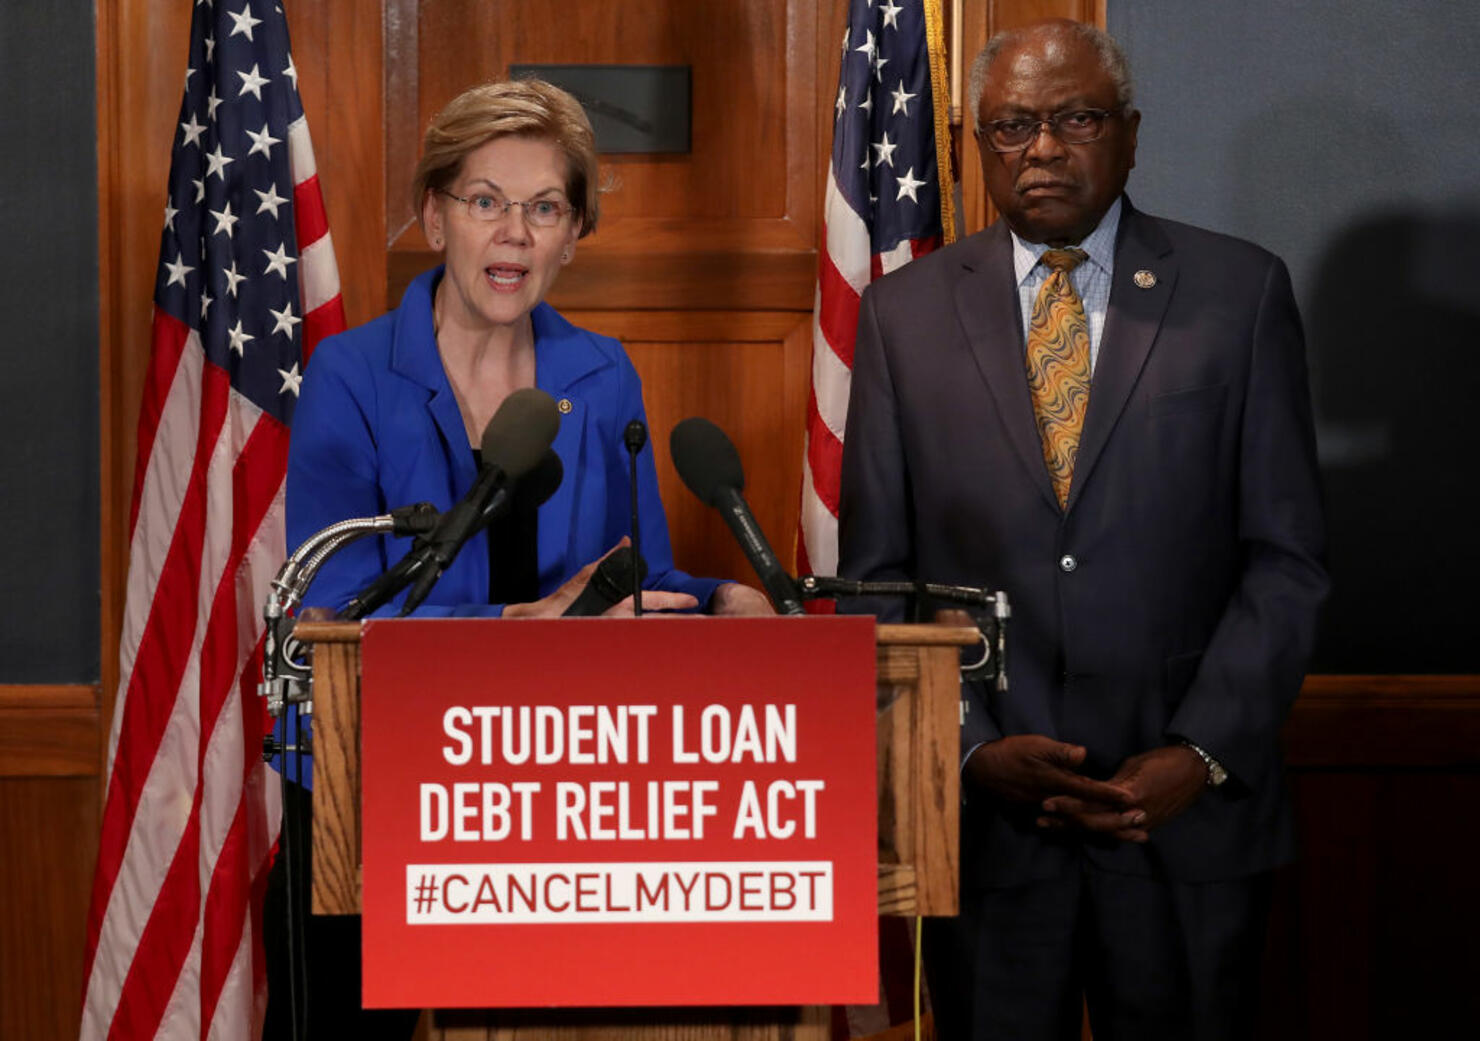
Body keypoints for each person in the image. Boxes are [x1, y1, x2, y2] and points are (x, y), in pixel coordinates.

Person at [838, 20, 1327, 1041]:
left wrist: (1196, 755)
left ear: (1131, 134)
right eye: (1013, 126)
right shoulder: (903, 317)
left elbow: (1285, 563)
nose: (1044, 149)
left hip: (1189, 828)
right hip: (990, 834)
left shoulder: (1239, 295)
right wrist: (970, 754)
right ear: (978, 144)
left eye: (1075, 119)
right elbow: (883, 582)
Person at [265, 79, 770, 1039]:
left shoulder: (602, 372)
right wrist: (516, 626)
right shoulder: (353, 376)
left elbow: (635, 577)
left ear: (573, 234)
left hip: (539, 800)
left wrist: (725, 600)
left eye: (545, 208)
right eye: (485, 201)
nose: (514, 234)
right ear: (434, 215)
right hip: (367, 792)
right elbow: (329, 616)